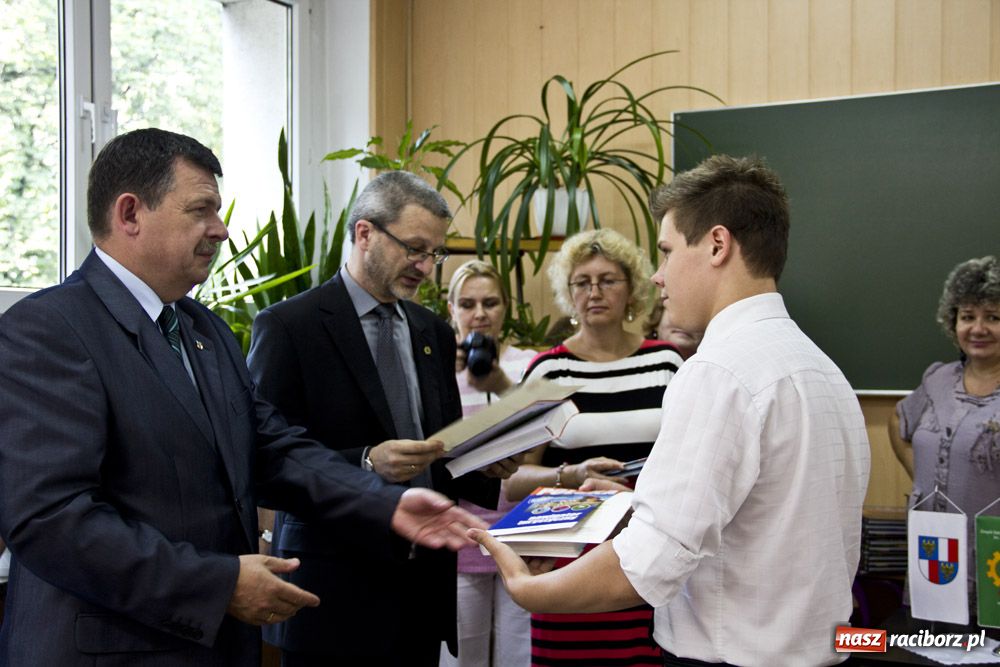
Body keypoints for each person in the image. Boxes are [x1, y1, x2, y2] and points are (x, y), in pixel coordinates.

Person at [0, 128, 486, 666]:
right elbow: (50, 520)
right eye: (202, 210)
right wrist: (217, 583)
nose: (221, 229)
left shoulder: (200, 328)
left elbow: (271, 447)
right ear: (131, 214)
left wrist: (387, 502)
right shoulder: (49, 329)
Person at [474, 155, 871, 667]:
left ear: (717, 245)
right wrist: (637, 505)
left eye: (665, 252)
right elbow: (759, 516)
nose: (658, 277)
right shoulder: (822, 368)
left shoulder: (715, 372)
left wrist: (530, 590)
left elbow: (653, 561)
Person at [248, 171, 517, 666]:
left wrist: (488, 464)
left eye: (435, 254)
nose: (426, 268)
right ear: (365, 232)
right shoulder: (289, 327)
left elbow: (441, 451)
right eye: (415, 249)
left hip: (422, 589)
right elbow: (264, 464)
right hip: (333, 591)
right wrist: (366, 462)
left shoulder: (430, 330)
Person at [503, 228, 685, 666]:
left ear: (633, 289)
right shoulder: (548, 369)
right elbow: (512, 481)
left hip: (644, 545)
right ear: (569, 294)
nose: (594, 292)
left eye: (608, 280)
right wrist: (571, 474)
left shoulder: (667, 364)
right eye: (581, 282)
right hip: (565, 553)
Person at [889, 255, 1000, 619]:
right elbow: (898, 422)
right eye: (968, 316)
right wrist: (921, 480)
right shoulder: (937, 379)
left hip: (992, 559)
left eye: (993, 317)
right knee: (931, 647)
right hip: (934, 553)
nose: (978, 328)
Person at [442, 260, 536, 667]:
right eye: (467, 303)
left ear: (505, 309)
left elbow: (543, 429)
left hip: (521, 531)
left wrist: (501, 384)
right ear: (451, 310)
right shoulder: (434, 367)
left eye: (490, 302)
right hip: (457, 531)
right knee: (462, 654)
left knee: (520, 652)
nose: (479, 313)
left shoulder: (527, 364)